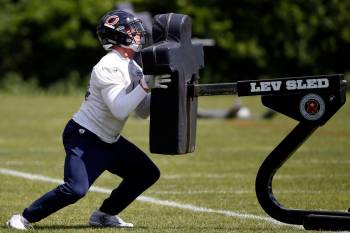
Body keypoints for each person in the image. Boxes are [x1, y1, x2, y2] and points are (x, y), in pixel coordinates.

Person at [6, 10, 171, 230]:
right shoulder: (108, 65)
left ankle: (104, 215)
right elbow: (120, 109)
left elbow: (141, 111)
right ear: (118, 36)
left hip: (109, 139)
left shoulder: (133, 66)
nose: (139, 34)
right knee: (75, 190)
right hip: (85, 137)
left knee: (146, 173)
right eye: (132, 30)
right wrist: (145, 86)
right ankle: (23, 218)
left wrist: (162, 93)